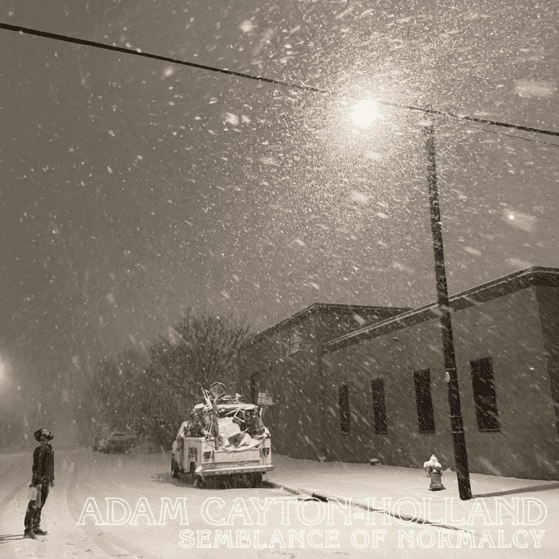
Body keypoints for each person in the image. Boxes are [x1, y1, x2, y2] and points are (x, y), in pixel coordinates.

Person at [24, 428, 55, 539]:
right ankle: (28, 530)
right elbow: (36, 467)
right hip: (37, 482)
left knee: (40, 504)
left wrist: (51, 478)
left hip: (45, 481)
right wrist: (37, 482)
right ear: (41, 437)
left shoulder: (49, 448)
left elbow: (50, 466)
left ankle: (36, 527)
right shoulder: (39, 449)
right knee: (32, 504)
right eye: (45, 434)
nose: (48, 435)